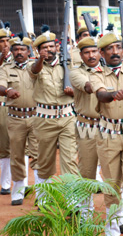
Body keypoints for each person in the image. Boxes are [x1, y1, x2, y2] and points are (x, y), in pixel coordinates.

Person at [90, 30, 123, 236]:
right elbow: (101, 94)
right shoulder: (97, 73)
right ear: (101, 52)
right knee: (111, 185)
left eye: (118, 47)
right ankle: (112, 232)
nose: (115, 52)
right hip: (109, 134)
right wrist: (112, 94)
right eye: (109, 49)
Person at [29, 25, 78, 186]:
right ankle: (44, 197)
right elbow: (34, 71)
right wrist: (41, 59)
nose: (48, 50)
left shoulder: (68, 65)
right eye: (44, 47)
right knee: (45, 160)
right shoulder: (36, 65)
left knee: (70, 159)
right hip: (44, 119)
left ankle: (73, 201)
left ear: (57, 47)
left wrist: (73, 93)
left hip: (67, 117)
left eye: (51, 46)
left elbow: (79, 89)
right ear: (38, 50)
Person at [0, 35, 38, 205]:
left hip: (36, 116)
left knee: (39, 156)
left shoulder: (36, 67)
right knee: (16, 154)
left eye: (23, 49)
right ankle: (18, 191)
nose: (19, 52)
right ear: (12, 52)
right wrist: (7, 90)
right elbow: (0, 85)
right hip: (15, 117)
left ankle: (43, 193)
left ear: (29, 51)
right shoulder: (6, 68)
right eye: (16, 49)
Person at [69, 37, 102, 182]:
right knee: (87, 170)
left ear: (100, 52)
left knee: (113, 170)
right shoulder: (76, 73)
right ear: (81, 55)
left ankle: (116, 204)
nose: (91, 55)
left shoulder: (109, 70)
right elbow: (89, 87)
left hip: (109, 125)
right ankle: (85, 205)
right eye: (87, 52)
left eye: (94, 51)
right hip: (87, 126)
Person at [0, 24, 13, 195]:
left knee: (5, 145)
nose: (5, 44)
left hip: (4, 106)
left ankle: (5, 183)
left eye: (7, 40)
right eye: (1, 41)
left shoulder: (15, 58)